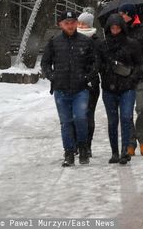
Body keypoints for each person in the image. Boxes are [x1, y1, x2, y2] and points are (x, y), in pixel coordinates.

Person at [41, 10, 97, 167]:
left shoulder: (86, 41)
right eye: (67, 22)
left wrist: (87, 77)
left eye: (73, 22)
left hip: (80, 90)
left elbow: (95, 63)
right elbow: (45, 63)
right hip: (61, 90)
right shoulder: (54, 42)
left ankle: (83, 148)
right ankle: (69, 152)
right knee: (65, 122)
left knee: (80, 118)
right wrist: (53, 76)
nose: (70, 25)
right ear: (60, 24)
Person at [96, 13, 143, 165]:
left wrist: (132, 78)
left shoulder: (132, 44)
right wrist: (107, 68)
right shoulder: (102, 46)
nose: (115, 30)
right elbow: (97, 65)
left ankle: (125, 150)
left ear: (122, 28)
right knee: (112, 121)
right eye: (112, 28)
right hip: (109, 88)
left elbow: (139, 64)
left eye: (117, 27)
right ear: (108, 29)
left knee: (126, 117)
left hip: (127, 87)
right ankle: (114, 152)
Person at [118, 3, 143, 157]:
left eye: (123, 14)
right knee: (126, 113)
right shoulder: (117, 31)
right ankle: (130, 142)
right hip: (123, 78)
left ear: (130, 14)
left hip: (142, 77)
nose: (121, 16)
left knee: (142, 109)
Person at [76, 11, 99, 156]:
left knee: (88, 115)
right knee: (76, 116)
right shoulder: (72, 39)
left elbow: (97, 62)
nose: (80, 25)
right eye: (79, 22)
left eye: (83, 23)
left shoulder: (96, 41)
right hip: (75, 83)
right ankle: (77, 144)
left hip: (91, 83)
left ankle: (87, 145)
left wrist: (89, 76)